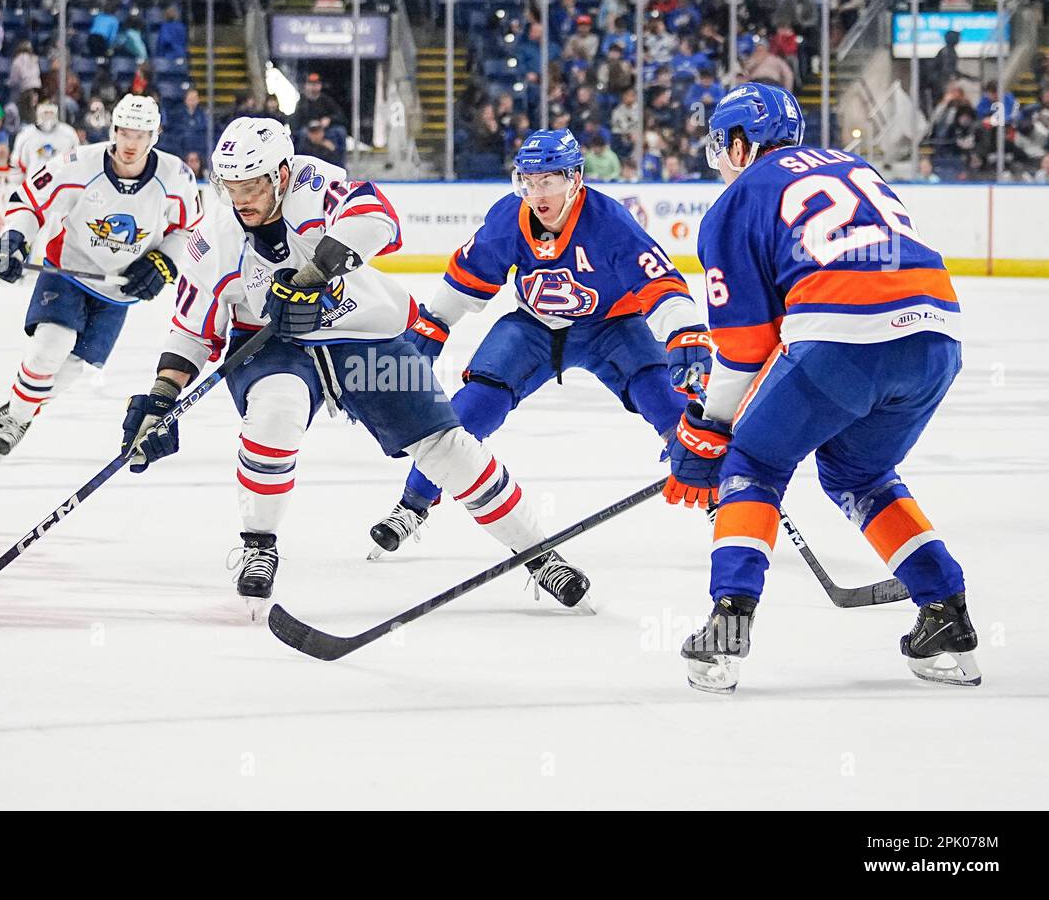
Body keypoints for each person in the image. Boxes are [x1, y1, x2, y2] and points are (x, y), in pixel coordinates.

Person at [121, 118, 592, 617]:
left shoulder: (311, 182)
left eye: (253, 185)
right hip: (272, 345)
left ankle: (539, 552)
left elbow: (379, 218)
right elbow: (192, 330)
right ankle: (259, 545)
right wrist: (161, 396)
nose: (241, 200)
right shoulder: (211, 238)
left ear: (281, 174)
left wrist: (312, 275)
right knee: (275, 412)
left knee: (446, 446)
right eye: (231, 186)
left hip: (357, 329)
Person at [666, 83, 978, 693]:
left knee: (753, 462)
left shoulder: (736, 201)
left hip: (845, 343)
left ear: (738, 143)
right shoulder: (855, 165)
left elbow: (745, 347)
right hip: (938, 339)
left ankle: (729, 621)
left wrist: (707, 433)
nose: (720, 161)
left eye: (720, 146)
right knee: (860, 474)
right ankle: (946, 609)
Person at [367, 128, 706, 582]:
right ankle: (413, 504)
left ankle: (720, 493)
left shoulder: (609, 222)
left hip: (613, 327)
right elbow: (470, 274)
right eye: (528, 180)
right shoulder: (511, 217)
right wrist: (435, 321)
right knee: (467, 414)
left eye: (548, 180)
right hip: (534, 328)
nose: (536, 192)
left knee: (671, 405)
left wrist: (684, 332)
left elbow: (659, 284)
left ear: (575, 179)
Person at [0, 95, 204, 462]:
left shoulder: (175, 177)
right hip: (68, 269)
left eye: (141, 135)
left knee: (73, 367)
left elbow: (189, 229)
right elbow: (29, 200)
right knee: (53, 343)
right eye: (125, 133)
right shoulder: (77, 165)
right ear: (113, 130)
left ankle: (20, 405)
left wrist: (163, 263)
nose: (131, 144)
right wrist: (14, 238)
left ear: (155, 136)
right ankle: (15, 419)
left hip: (119, 287)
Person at [11, 101, 79, 173]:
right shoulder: (25, 134)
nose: (48, 116)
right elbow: (15, 160)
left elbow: (76, 159)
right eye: (45, 113)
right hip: (33, 180)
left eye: (51, 113)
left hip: (61, 180)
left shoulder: (69, 133)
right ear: (38, 113)